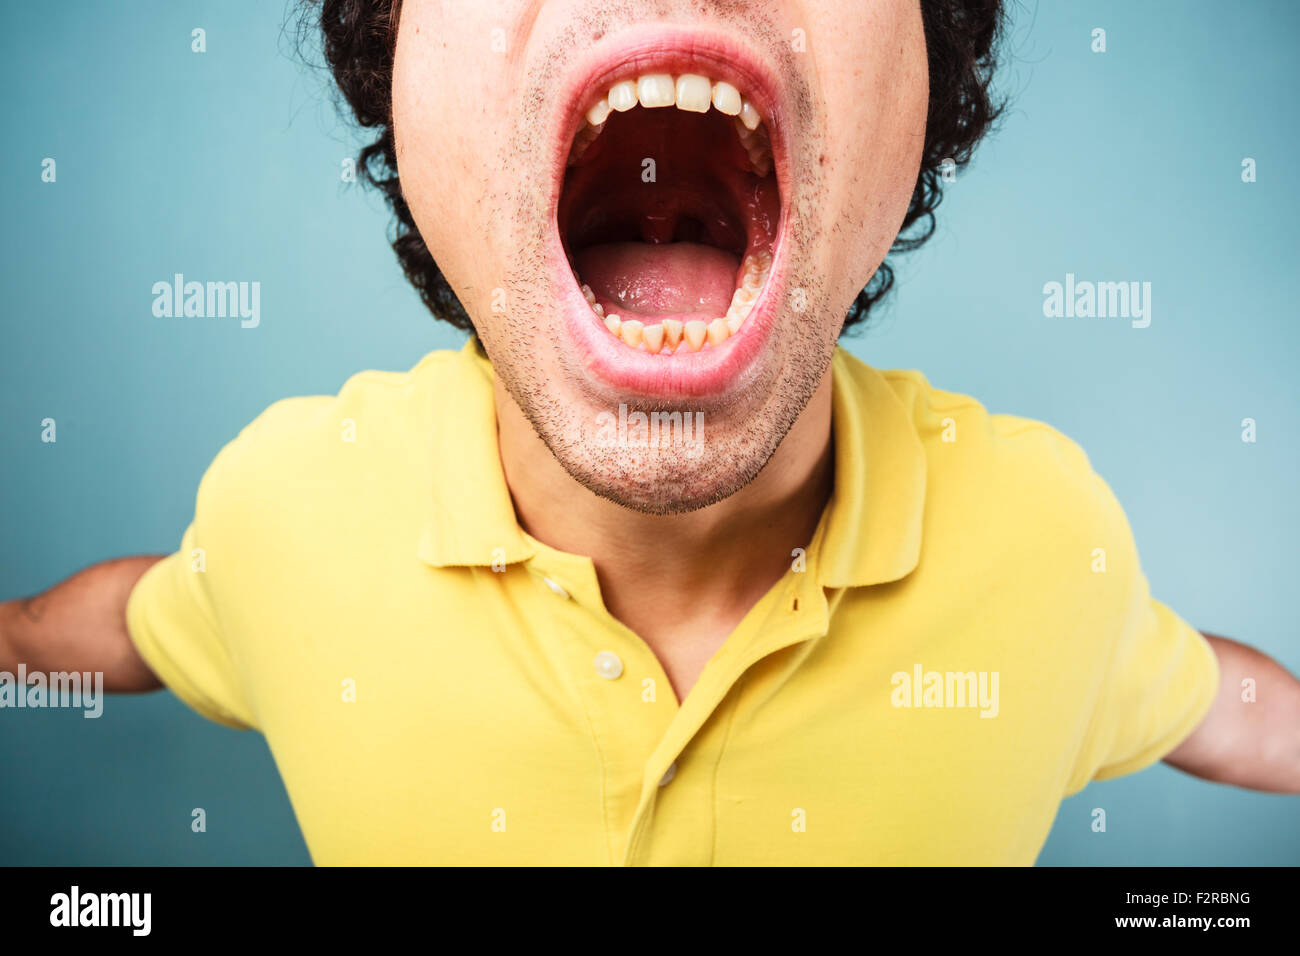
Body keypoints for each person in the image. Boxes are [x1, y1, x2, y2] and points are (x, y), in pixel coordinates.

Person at [2, 0, 1297, 865]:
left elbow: (1218, 708)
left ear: (922, 86)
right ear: (396, 76)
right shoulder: (283, 512)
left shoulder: (1043, 539)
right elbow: (139, 625)